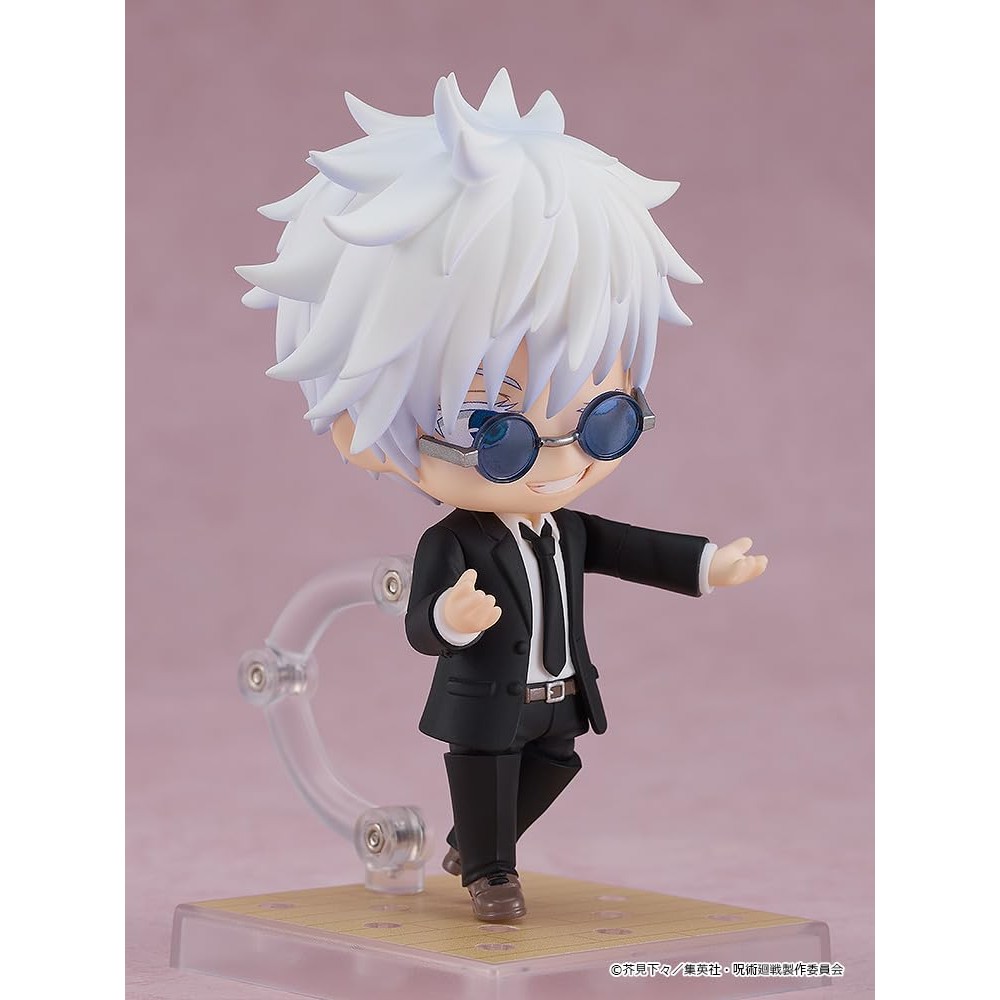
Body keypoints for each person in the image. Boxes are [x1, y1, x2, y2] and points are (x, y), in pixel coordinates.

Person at [238, 69, 767, 922]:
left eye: (604, 423)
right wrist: (451, 619)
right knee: (485, 781)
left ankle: (474, 846)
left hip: (557, 697)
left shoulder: (568, 529)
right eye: (503, 435)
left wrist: (709, 564)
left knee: (558, 763)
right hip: (482, 703)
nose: (558, 462)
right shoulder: (453, 544)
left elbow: (634, 549)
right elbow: (420, 626)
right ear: (362, 433)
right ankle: (491, 872)